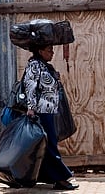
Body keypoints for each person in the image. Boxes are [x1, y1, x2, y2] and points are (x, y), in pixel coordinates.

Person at [23, 44, 79, 190]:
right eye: (49, 50)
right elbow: (30, 87)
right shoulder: (34, 66)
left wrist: (55, 78)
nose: (52, 53)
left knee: (47, 145)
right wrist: (31, 108)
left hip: (50, 110)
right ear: (40, 51)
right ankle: (60, 178)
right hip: (41, 112)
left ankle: (48, 176)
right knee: (50, 145)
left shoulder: (45, 66)